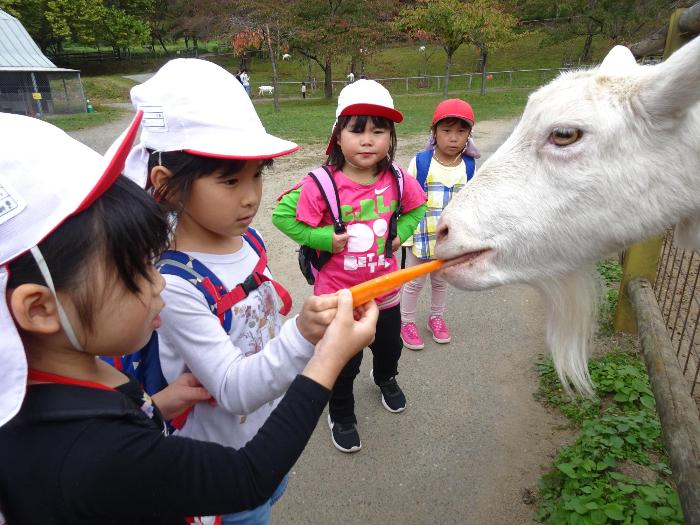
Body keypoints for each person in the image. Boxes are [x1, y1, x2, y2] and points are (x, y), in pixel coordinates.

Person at [0, 111, 378, 524]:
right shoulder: (88, 453)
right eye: (135, 271)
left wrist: (157, 407)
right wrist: (327, 355)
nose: (159, 281)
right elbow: (248, 478)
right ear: (39, 308)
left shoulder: (74, 386)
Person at [121, 58, 330, 525]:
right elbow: (233, 388)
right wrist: (307, 336)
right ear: (167, 186)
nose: (251, 195)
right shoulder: (173, 284)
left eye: (257, 174)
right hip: (222, 473)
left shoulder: (248, 241)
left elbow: (264, 327)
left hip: (263, 441)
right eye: (230, 180)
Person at [272, 79, 427, 453]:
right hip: (337, 298)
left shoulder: (398, 179)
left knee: (390, 348)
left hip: (386, 294)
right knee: (342, 363)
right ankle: (340, 412)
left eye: (379, 131)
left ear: (391, 138)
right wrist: (323, 238)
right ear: (337, 136)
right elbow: (281, 215)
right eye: (356, 130)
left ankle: (385, 376)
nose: (368, 140)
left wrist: (400, 232)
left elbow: (418, 207)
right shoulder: (322, 184)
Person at [400, 98, 479, 350]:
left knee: (440, 281)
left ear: (469, 135)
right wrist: (405, 236)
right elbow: (406, 199)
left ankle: (436, 317)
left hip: (448, 239)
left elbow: (470, 204)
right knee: (413, 282)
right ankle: (406, 322)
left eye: (461, 131)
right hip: (421, 235)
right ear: (434, 132)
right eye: (446, 131)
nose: (454, 138)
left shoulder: (468, 166)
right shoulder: (421, 162)